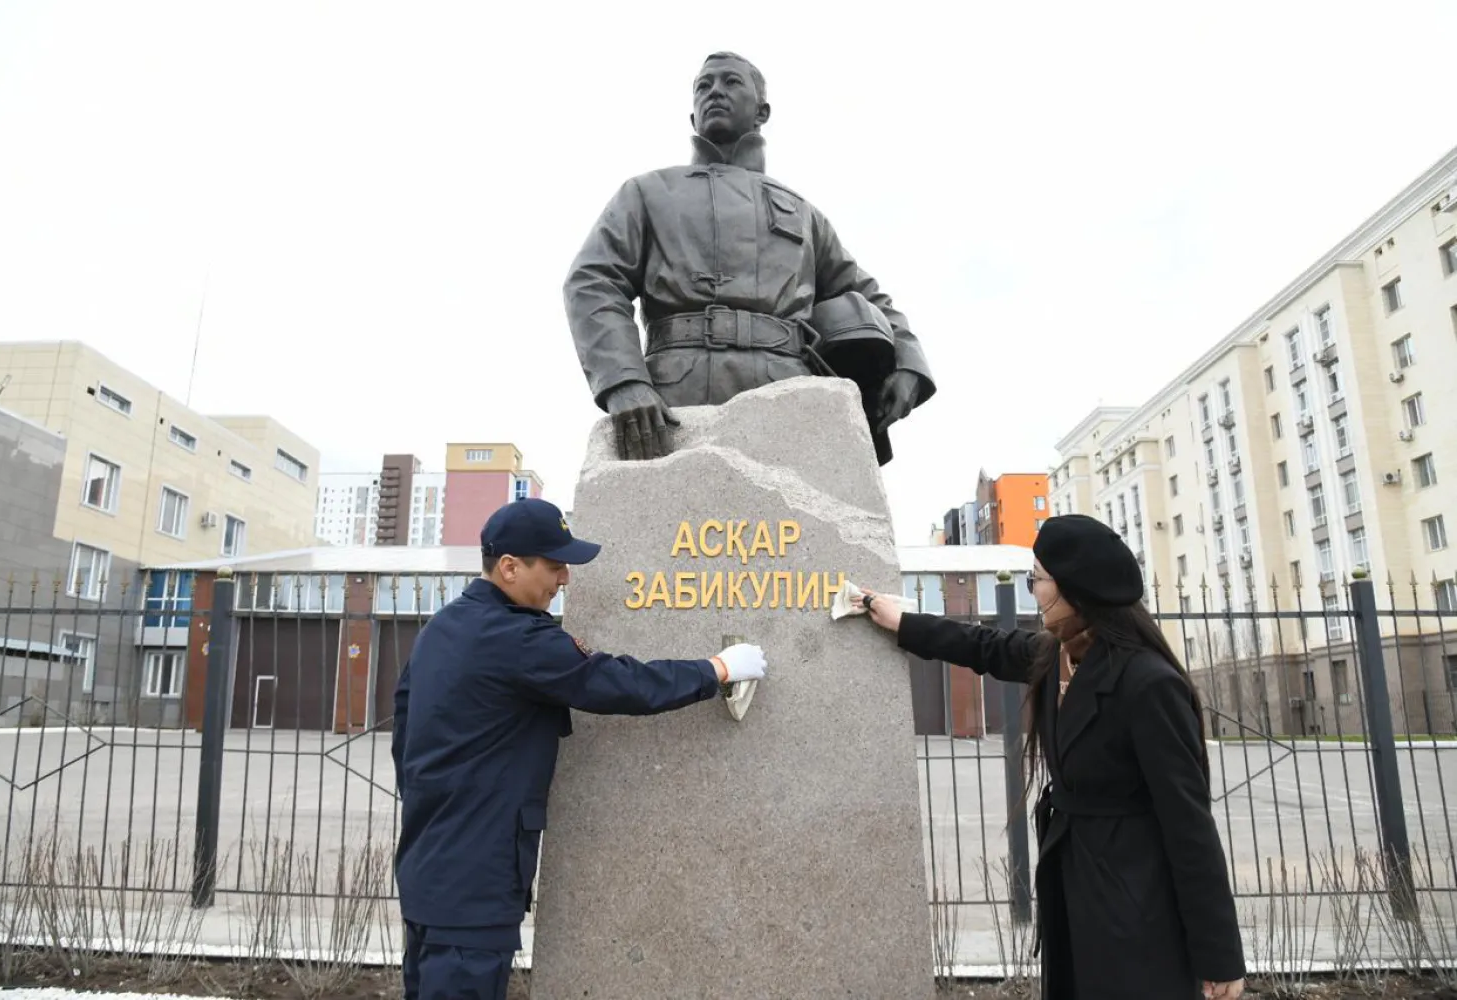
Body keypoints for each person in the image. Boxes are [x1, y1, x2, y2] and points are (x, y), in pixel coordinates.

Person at [390, 498, 767, 999]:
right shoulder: (515, 637)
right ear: (509, 567)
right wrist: (716, 669)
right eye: (554, 565)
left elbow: (404, 732)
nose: (565, 578)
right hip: (474, 889)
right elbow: (614, 682)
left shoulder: (443, 628)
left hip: (430, 872)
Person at [860, 514, 1246, 1000]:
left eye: (1038, 579)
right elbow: (983, 646)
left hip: (1136, 906)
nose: (1033, 591)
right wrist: (905, 621)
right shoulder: (1057, 655)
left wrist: (1219, 956)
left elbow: (1189, 824)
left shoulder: (1149, 684)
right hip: (1074, 889)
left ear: (1074, 590)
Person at [562, 50, 937, 466]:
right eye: (703, 87)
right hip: (675, 392)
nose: (714, 92)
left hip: (787, 391)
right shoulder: (647, 193)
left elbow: (868, 297)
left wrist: (908, 364)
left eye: (730, 82)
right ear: (692, 117)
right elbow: (592, 281)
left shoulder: (802, 212)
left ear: (762, 111)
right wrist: (623, 381)